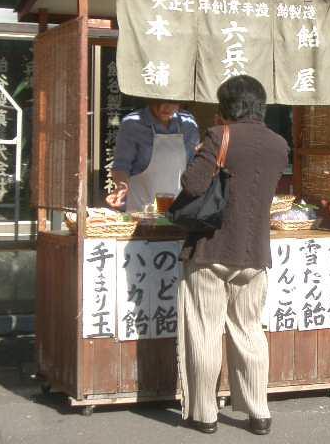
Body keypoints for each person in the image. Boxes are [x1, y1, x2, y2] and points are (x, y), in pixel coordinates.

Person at [176, 75, 289, 435]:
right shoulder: (279, 144)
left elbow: (193, 184)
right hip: (254, 254)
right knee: (249, 330)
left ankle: (205, 414)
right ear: (260, 106)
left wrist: (200, 154)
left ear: (225, 107)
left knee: (205, 332)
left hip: (211, 249)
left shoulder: (218, 135)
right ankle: (259, 412)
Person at [106, 100, 200, 212]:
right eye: (159, 101)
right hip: (141, 209)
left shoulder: (188, 123)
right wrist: (121, 186)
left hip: (178, 210)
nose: (164, 107)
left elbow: (193, 164)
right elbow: (121, 166)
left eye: (172, 102)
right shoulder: (132, 123)